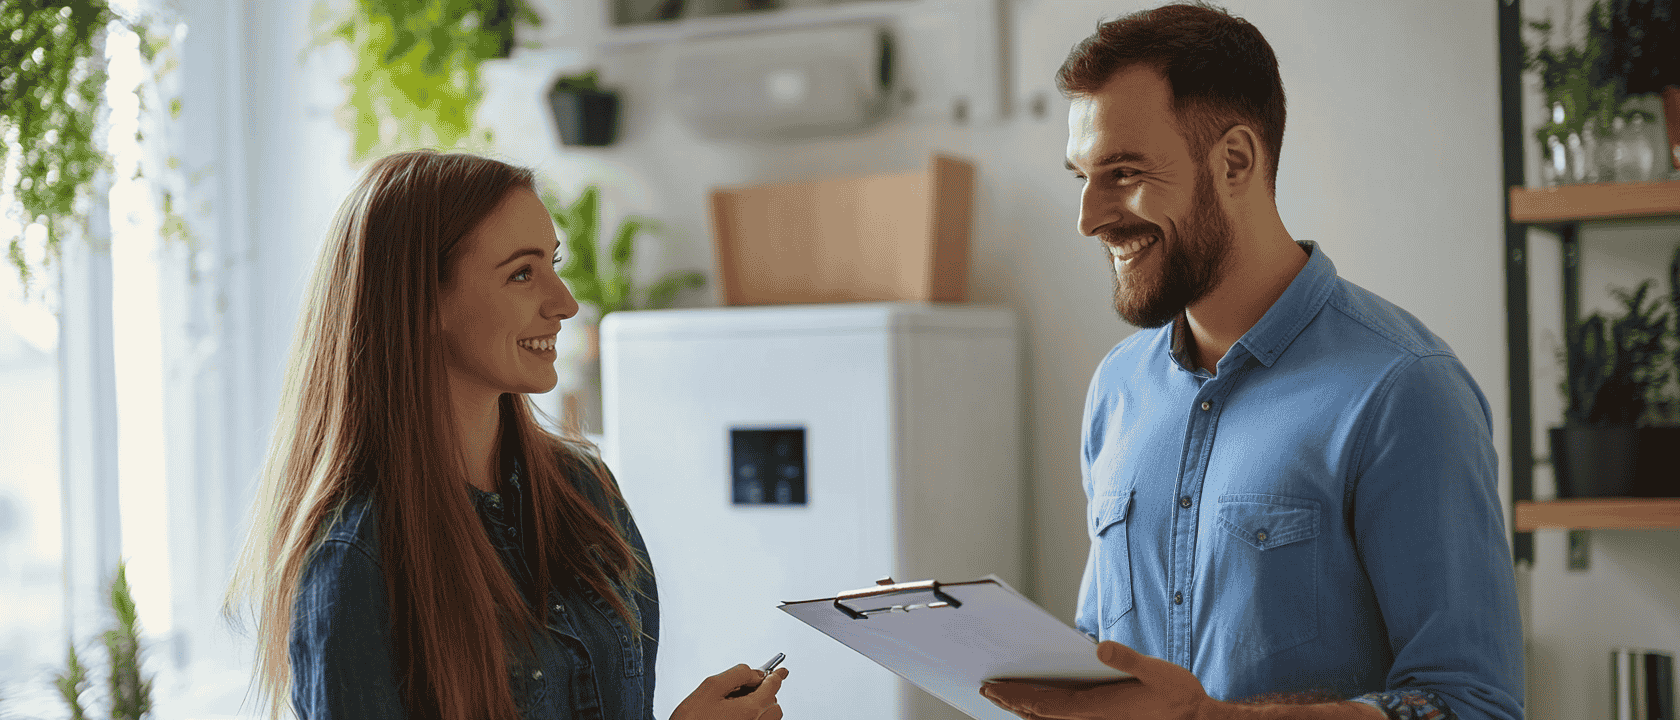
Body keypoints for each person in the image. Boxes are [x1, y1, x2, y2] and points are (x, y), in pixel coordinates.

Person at [980, 4, 1523, 720]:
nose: (1089, 216)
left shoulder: (1403, 390)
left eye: (1124, 171)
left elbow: (1473, 705)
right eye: (1083, 175)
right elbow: (1107, 658)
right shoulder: (1118, 387)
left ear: (1235, 160)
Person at [223, 150, 789, 720]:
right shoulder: (354, 556)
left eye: (552, 263)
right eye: (522, 273)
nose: (564, 303)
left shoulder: (584, 490)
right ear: (421, 303)